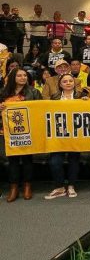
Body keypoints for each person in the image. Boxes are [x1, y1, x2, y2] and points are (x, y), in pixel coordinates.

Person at [44, 73, 90, 199]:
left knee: (73, 160)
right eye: (65, 81)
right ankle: (59, 187)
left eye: (70, 81)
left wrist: (87, 102)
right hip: (58, 134)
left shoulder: (81, 96)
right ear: (60, 84)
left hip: (75, 134)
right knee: (55, 162)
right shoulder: (54, 98)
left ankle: (71, 186)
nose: (68, 83)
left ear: (74, 83)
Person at [0, 68, 42, 201]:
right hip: (8, 132)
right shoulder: (3, 92)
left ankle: (27, 186)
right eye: (19, 75)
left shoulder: (34, 92)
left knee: (27, 159)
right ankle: (13, 187)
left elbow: (40, 110)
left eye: (25, 75)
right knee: (12, 160)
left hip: (27, 131)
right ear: (13, 77)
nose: (23, 77)